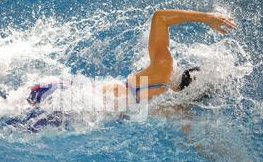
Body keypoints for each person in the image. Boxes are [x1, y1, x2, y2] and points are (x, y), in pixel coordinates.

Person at [14, 9, 237, 130]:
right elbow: (160, 17)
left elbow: (161, 18)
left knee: (0, 108)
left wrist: (207, 18)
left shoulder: (167, 81)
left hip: (66, 90)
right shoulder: (166, 79)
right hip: (72, 104)